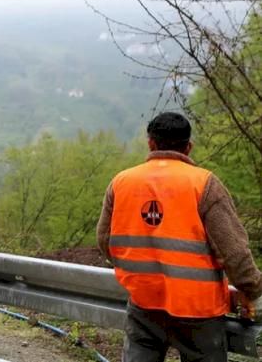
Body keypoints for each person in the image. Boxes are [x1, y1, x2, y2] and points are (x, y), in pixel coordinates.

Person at [97, 112, 262, 362]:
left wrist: (140, 274)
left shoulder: (121, 182)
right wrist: (253, 290)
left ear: (151, 143)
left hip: (143, 303)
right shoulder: (204, 184)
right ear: (188, 147)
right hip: (199, 310)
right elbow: (234, 252)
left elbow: (105, 240)